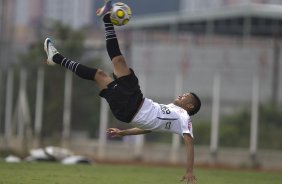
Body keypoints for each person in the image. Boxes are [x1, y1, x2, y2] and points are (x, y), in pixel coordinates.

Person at [43, 1, 201, 183]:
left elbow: (189, 143)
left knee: (98, 75)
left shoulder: (184, 118)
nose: (181, 95)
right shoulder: (171, 111)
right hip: (136, 98)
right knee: (118, 62)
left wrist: (189, 171)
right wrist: (123, 133)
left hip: (128, 108)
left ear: (189, 105)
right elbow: (148, 128)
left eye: (185, 96)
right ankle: (107, 20)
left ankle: (56, 57)